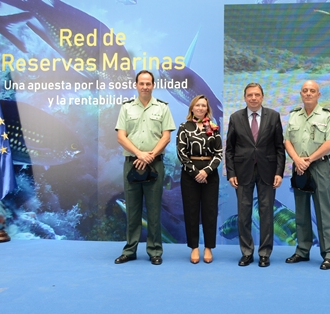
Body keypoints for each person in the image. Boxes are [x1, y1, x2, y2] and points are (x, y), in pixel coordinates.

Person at [114, 70, 176, 265]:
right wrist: (140, 154)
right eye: (141, 83)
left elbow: (166, 137)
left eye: (148, 83)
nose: (145, 86)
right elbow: (120, 136)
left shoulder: (163, 108)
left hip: (155, 164)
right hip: (132, 164)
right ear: (136, 85)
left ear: (153, 85)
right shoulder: (126, 108)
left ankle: (155, 251)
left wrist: (149, 156)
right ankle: (130, 250)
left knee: (154, 209)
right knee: (132, 209)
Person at [225, 83, 285, 267]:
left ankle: (265, 253)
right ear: (244, 97)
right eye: (249, 95)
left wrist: (279, 172)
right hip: (242, 172)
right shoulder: (235, 118)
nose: (253, 98)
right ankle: (247, 252)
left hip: (268, 171)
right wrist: (231, 173)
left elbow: (279, 148)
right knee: (244, 214)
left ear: (262, 97)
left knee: (266, 214)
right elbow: (229, 149)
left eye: (257, 95)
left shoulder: (273, 116)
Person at [284, 80, 330, 270]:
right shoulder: (293, 116)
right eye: (305, 91)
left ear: (318, 94)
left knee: (323, 210)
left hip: (318, 167)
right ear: (301, 94)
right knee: (301, 211)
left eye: (312, 91)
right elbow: (287, 141)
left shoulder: (327, 116)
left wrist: (308, 160)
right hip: (298, 167)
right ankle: (302, 250)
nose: (308, 93)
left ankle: (329, 254)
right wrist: (297, 160)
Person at [176, 95, 222, 264]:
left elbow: (219, 153)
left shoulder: (214, 127)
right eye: (198, 105)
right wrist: (196, 172)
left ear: (207, 108)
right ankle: (194, 247)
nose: (201, 108)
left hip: (210, 174)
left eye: (204, 105)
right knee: (191, 210)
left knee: (210, 211)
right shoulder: (184, 127)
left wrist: (206, 171)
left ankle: (208, 247)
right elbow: (181, 153)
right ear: (192, 108)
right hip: (190, 174)